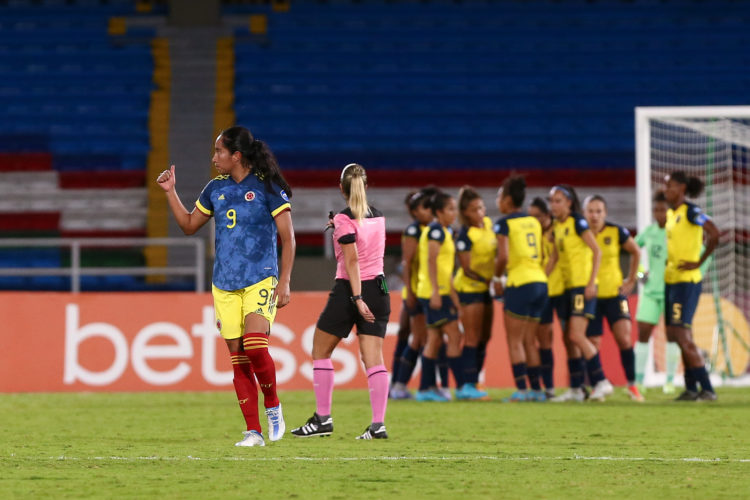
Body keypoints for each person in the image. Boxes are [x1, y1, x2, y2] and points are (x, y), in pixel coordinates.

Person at [156, 126, 294, 447]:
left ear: (236, 155)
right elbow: (190, 225)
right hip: (224, 284)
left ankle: (273, 406)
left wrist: (285, 281)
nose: (214, 157)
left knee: (256, 346)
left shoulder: (267, 186)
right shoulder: (215, 189)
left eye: (219, 152)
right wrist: (170, 192)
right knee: (239, 358)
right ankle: (253, 432)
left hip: (260, 276)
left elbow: (288, 238)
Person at [291, 163, 392, 439]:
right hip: (380, 290)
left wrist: (357, 298)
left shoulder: (345, 221)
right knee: (373, 359)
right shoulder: (379, 217)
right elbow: (367, 249)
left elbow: (352, 260)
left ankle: (323, 419)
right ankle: (378, 424)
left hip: (351, 290)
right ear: (366, 187)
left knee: (320, 350)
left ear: (341, 189)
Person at [547, 184, 613, 403]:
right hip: (567, 288)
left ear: (569, 202)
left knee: (576, 335)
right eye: (551, 201)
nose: (553, 205)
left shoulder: (578, 222)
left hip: (581, 286)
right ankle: (576, 389)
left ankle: (601, 381)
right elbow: (555, 258)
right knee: (569, 339)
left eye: (558, 201)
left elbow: (597, 251)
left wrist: (591, 282)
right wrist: (540, 278)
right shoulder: (558, 226)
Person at [663, 171, 720, 401]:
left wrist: (699, 260)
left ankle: (707, 389)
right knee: (675, 335)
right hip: (672, 281)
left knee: (683, 336)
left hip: (686, 283)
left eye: (669, 186)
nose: (665, 190)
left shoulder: (690, 211)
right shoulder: (671, 213)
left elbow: (714, 233)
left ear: (681, 188)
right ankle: (690, 388)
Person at [492, 176, 548, 402]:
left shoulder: (504, 223)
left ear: (506, 199)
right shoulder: (534, 222)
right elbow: (543, 253)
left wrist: (497, 277)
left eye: (499, 196)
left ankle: (522, 390)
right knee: (529, 340)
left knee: (515, 340)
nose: (497, 201)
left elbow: (503, 255)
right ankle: (537, 390)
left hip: (519, 283)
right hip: (540, 281)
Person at [583, 195, 643, 402]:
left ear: (605, 213)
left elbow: (636, 251)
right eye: (591, 211)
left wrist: (631, 280)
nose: (595, 215)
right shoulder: (581, 234)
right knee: (593, 342)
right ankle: (596, 386)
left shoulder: (616, 232)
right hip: (592, 296)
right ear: (584, 213)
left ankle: (632, 385)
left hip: (616, 295)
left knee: (625, 338)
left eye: (599, 211)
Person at [415, 192, 470, 401]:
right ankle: (462, 387)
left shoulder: (444, 231)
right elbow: (431, 261)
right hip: (434, 292)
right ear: (439, 212)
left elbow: (445, 268)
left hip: (437, 291)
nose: (454, 213)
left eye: (454, 209)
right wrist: (437, 292)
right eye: (450, 209)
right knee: (454, 336)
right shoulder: (436, 232)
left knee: (435, 339)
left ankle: (425, 389)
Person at [390, 188, 437, 399]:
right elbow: (407, 263)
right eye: (425, 208)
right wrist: (409, 291)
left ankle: (398, 385)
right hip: (417, 292)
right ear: (416, 211)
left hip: (423, 290)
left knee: (414, 337)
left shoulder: (431, 230)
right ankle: (399, 385)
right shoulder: (414, 231)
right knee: (417, 338)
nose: (430, 212)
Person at [633, 191, 681, 393]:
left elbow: (702, 253)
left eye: (663, 209)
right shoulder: (649, 232)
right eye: (656, 209)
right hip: (651, 292)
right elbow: (633, 251)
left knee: (673, 335)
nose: (659, 213)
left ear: (670, 212)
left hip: (673, 291)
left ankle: (669, 381)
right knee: (643, 333)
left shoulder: (677, 232)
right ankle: (638, 381)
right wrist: (640, 273)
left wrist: (693, 277)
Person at [454, 186, 495, 398]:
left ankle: (474, 382)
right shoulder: (465, 234)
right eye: (474, 209)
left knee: (484, 337)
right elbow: (467, 268)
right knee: (471, 337)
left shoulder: (488, 225)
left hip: (486, 288)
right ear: (465, 213)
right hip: (470, 289)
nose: (480, 212)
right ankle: (466, 386)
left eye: (481, 207)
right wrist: (492, 279)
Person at [528, 197, 561, 399]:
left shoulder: (558, 231)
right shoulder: (531, 233)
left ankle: (579, 384)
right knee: (540, 340)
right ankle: (544, 387)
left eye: (537, 216)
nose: (534, 220)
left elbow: (555, 257)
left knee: (568, 339)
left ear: (547, 216)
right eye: (531, 216)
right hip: (541, 292)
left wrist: (541, 277)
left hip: (560, 289)